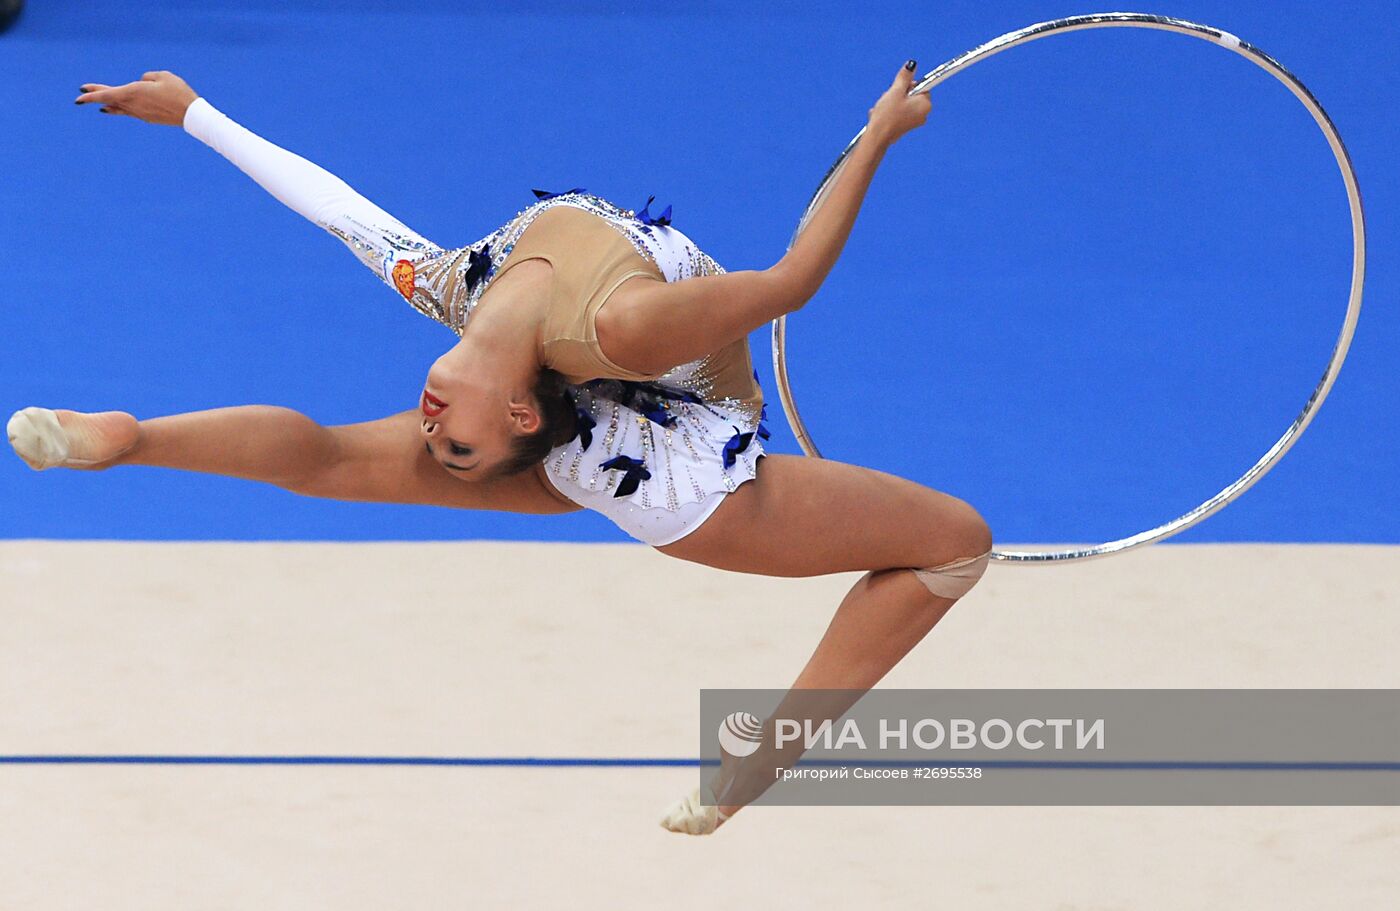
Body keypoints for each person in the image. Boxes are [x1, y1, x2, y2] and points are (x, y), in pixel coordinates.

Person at [9, 62, 992, 834]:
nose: (429, 427)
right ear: (520, 417)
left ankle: (133, 440)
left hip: (638, 440)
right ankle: (127, 440)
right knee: (954, 540)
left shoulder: (456, 287)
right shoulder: (624, 326)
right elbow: (786, 282)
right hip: (669, 459)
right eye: (453, 439)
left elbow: (337, 209)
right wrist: (875, 137)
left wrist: (194, 114)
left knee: (333, 462)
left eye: (438, 438)